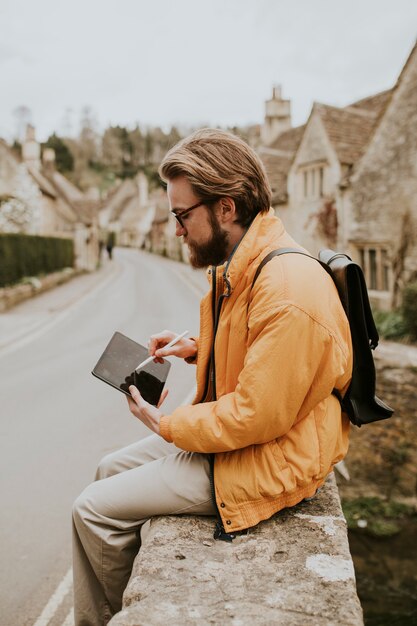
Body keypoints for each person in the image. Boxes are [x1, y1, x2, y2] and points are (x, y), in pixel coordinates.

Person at [72, 129, 353, 625]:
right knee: (105, 470)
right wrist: (197, 349)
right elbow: (266, 355)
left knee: (91, 510)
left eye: (182, 215)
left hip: (263, 456)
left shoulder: (286, 287)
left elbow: (251, 416)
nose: (176, 229)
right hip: (247, 440)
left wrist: (163, 423)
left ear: (226, 208)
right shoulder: (249, 262)